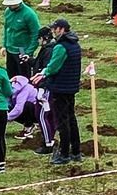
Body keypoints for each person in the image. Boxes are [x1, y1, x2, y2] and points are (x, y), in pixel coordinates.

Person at [31, 18, 85, 164]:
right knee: (71, 119)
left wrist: (43, 73)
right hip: (71, 87)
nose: (53, 32)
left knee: (62, 121)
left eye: (54, 29)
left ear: (61, 29)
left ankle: (64, 153)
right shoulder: (75, 44)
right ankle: (76, 151)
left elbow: (54, 66)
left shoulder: (60, 47)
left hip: (60, 87)